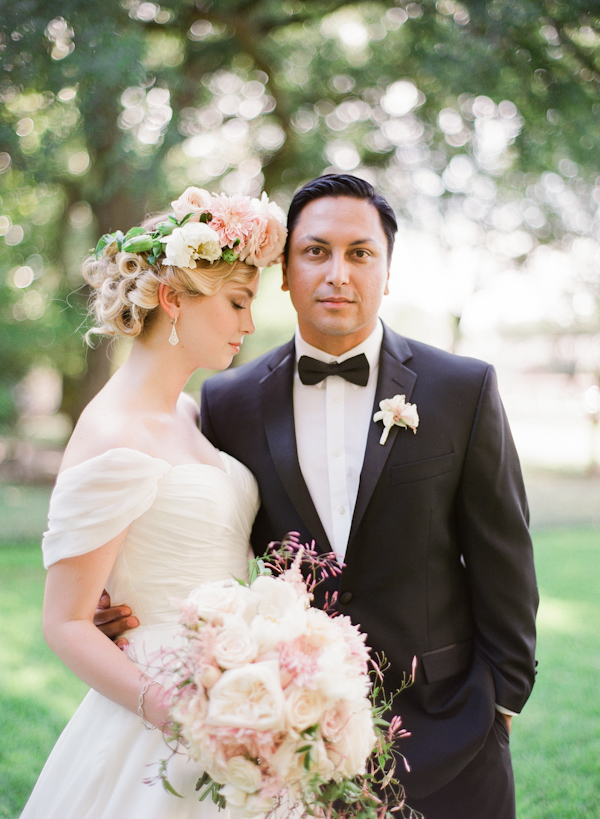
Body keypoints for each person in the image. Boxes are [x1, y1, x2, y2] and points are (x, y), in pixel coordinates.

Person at [100, 174, 538, 819]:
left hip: (451, 724)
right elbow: (205, 529)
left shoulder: (461, 389)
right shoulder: (228, 400)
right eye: (315, 251)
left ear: (387, 272)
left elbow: (505, 554)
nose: (338, 272)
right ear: (283, 271)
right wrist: (122, 601)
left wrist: (501, 702)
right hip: (289, 735)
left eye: (360, 253)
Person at [20, 187, 287, 819]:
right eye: (237, 302)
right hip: (162, 710)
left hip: (238, 687)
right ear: (173, 299)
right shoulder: (114, 431)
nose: (248, 324)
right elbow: (65, 623)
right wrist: (187, 719)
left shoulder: (192, 414)